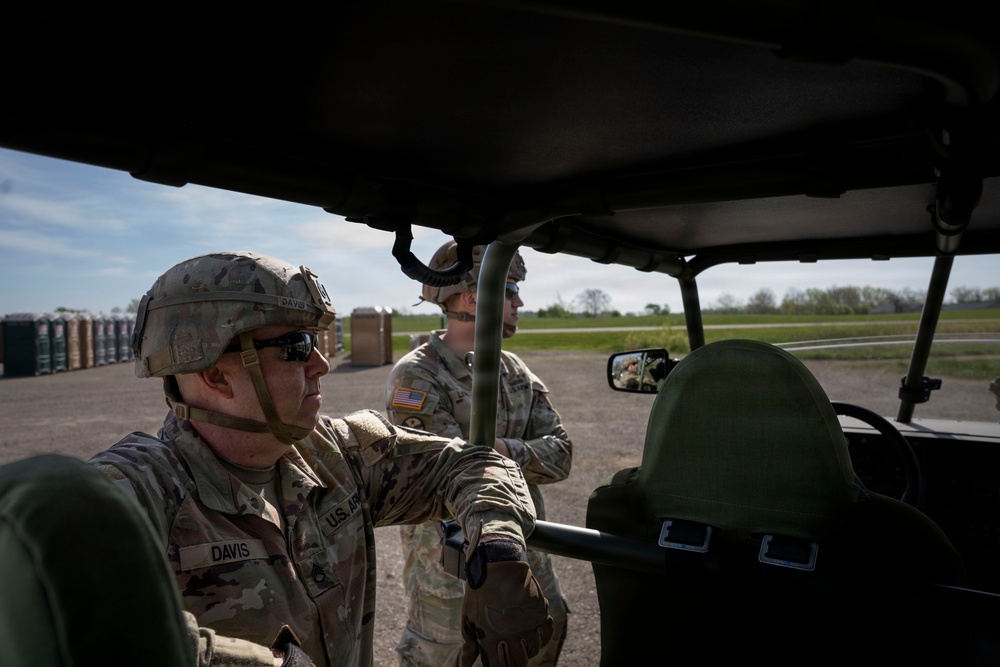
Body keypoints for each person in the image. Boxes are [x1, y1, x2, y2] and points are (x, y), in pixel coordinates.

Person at [87, 251, 553, 667]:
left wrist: (498, 547)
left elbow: (472, 463)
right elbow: (64, 619)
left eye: (314, 342)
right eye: (296, 347)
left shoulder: (334, 454)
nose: (321, 364)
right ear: (215, 376)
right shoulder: (136, 493)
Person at [385, 242, 573, 667]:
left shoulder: (515, 371)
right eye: (510, 290)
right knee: (448, 656)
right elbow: (448, 474)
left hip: (524, 549)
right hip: (451, 567)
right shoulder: (417, 376)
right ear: (474, 297)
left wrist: (501, 450)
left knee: (544, 635)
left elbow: (562, 454)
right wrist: (520, 457)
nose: (519, 302)